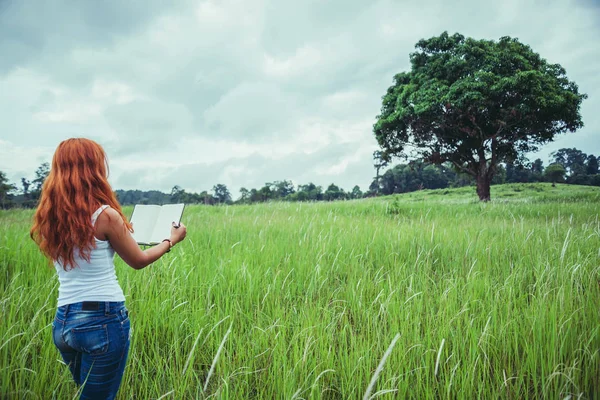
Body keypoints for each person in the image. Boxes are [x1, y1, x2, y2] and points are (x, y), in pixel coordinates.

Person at [30, 138, 187, 399]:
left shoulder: (50, 216)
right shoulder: (105, 215)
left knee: (88, 393)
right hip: (102, 319)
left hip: (63, 322)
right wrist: (171, 240)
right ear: (93, 168)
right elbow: (138, 261)